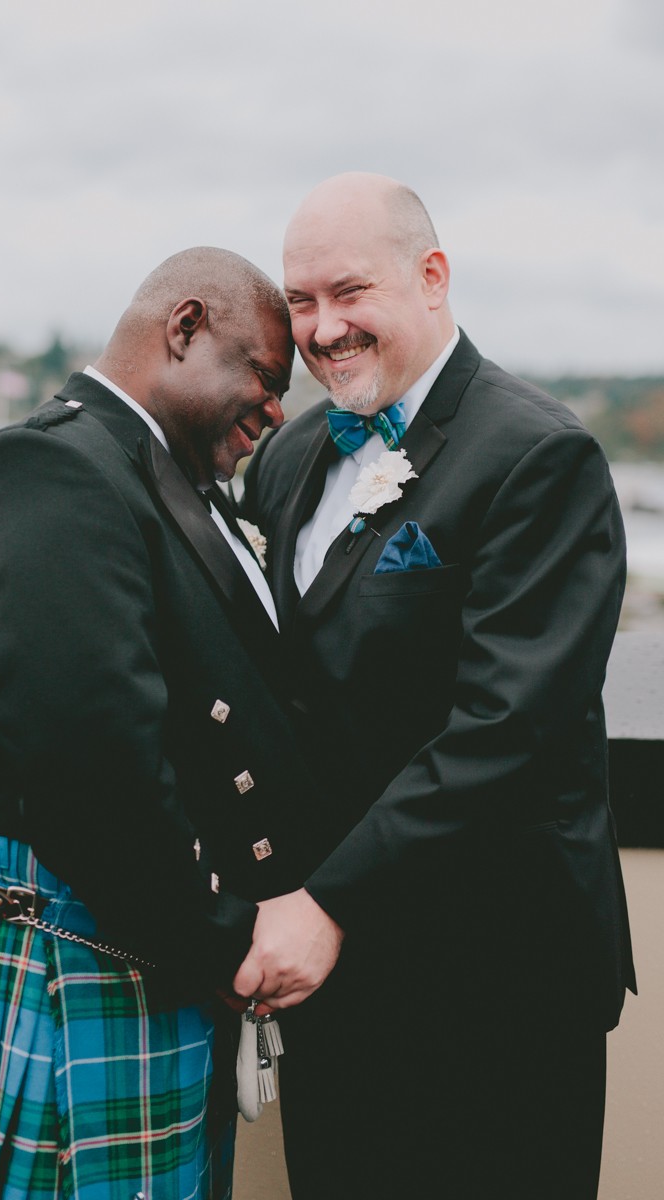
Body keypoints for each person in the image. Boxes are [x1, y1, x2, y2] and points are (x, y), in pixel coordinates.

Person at [0, 247, 323, 1200]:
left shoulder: (154, 479)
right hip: (55, 966)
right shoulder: (54, 467)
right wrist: (226, 940)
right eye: (264, 378)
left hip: (126, 949)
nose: (277, 410)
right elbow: (86, 761)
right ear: (184, 327)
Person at [236, 173, 636, 1199]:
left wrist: (323, 900)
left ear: (430, 276)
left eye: (347, 292)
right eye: (301, 301)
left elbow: (504, 730)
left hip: (496, 981)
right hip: (339, 984)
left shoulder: (535, 458)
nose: (321, 329)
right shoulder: (286, 458)